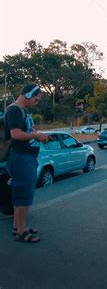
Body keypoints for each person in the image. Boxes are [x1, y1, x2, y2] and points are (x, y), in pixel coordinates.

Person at [5, 84, 48, 243]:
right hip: (20, 158)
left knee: (22, 194)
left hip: (25, 157)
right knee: (23, 195)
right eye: (36, 99)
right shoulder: (15, 110)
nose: (37, 102)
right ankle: (21, 232)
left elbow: (25, 130)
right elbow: (15, 134)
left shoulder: (22, 111)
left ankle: (18, 226)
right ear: (29, 95)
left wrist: (36, 133)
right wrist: (35, 137)